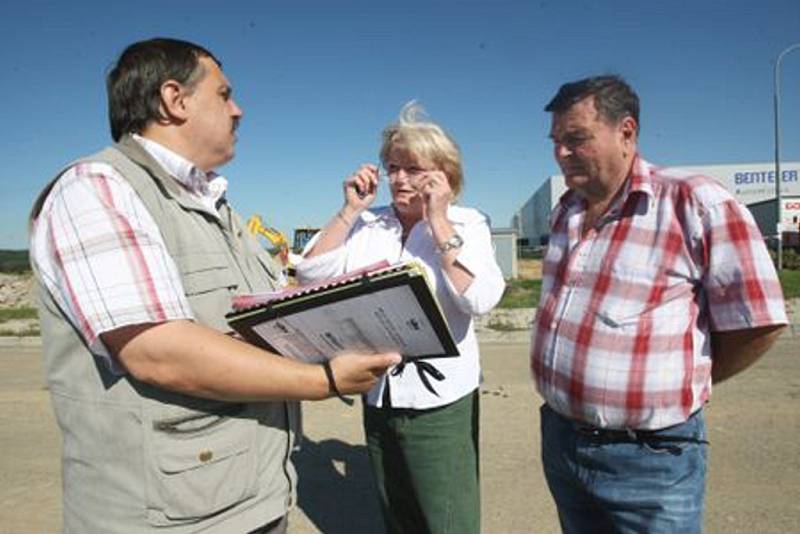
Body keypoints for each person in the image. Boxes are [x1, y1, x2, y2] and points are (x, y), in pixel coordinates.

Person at [28, 38, 400, 534]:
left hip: (248, 499)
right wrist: (324, 381)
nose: (238, 110)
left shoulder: (216, 207)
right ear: (174, 100)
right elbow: (156, 349)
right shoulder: (97, 189)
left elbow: (263, 311)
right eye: (224, 95)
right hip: (170, 517)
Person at [531, 74, 788, 533]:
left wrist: (686, 378)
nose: (561, 153)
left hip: (650, 458)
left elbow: (759, 320)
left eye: (576, 139)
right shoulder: (566, 210)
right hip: (562, 439)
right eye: (556, 141)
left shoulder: (693, 201)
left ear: (626, 132)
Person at [295, 102, 505, 534]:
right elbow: (309, 273)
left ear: (444, 172)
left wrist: (439, 221)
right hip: (378, 393)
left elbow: (480, 298)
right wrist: (350, 210)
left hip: (438, 400)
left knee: (446, 518)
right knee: (397, 513)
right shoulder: (370, 224)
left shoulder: (467, 223)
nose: (400, 179)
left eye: (413, 168)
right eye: (393, 167)